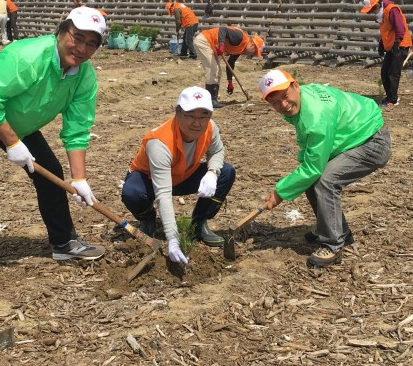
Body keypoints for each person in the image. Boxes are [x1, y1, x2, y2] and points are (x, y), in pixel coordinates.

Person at [0, 6, 108, 293]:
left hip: (17, 120)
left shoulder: (84, 77)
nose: (82, 49)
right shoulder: (27, 56)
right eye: (77, 37)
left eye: (91, 44)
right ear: (61, 32)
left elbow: (77, 128)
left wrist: (80, 179)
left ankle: (63, 243)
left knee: (51, 177)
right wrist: (11, 142)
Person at [258, 69, 392, 268]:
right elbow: (310, 148)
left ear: (295, 85)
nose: (283, 105)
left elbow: (313, 166)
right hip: (354, 135)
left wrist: (280, 192)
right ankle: (337, 230)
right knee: (311, 180)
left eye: (285, 97)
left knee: (324, 180)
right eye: (275, 102)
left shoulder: (316, 115)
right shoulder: (304, 97)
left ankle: (332, 245)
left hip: (371, 142)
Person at [121, 87, 236, 263]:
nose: (197, 123)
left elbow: (218, 151)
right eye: (190, 115)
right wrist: (173, 238)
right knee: (132, 193)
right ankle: (147, 219)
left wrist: (212, 173)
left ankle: (199, 224)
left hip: (183, 175)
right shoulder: (159, 142)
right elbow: (164, 194)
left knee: (226, 172)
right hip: (149, 180)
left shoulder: (210, 128)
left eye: (203, 116)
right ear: (178, 113)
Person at [360, 0, 412, 107]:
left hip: (400, 46)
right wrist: (381, 45)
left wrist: (397, 43)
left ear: (377, 5)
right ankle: (389, 97)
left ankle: (393, 100)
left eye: (372, 10)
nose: (372, 13)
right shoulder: (381, 14)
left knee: (393, 74)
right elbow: (385, 31)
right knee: (385, 72)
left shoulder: (392, 10)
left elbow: (400, 28)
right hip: (391, 46)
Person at [193, 26, 265, 108]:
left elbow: (230, 64)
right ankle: (210, 101)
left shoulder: (240, 49)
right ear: (253, 45)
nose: (252, 54)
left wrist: (230, 82)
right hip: (204, 41)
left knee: (218, 71)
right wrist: (222, 45)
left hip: (211, 45)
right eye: (254, 52)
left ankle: (213, 99)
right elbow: (223, 30)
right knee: (213, 69)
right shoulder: (239, 37)